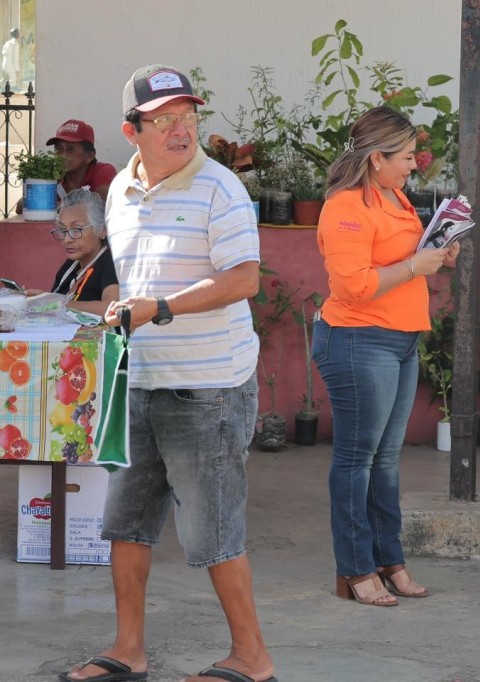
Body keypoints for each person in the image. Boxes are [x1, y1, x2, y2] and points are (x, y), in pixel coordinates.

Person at [60, 64, 275, 682]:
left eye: (189, 117)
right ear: (133, 130)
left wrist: (164, 309)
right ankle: (128, 650)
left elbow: (243, 280)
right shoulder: (121, 196)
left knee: (213, 531)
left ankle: (253, 659)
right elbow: (132, 284)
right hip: (140, 382)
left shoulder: (220, 188)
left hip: (208, 389)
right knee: (126, 524)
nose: (181, 131)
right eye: (165, 120)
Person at [313, 106, 458, 607]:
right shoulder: (344, 206)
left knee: (386, 460)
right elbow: (354, 286)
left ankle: (389, 560)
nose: (414, 165)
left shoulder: (393, 196)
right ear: (376, 158)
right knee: (357, 460)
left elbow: (400, 264)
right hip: (358, 338)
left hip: (400, 338)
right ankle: (355, 569)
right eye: (406, 157)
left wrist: (434, 255)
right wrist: (414, 263)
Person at [21, 188, 118, 317]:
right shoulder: (71, 265)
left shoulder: (111, 263)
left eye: (77, 229)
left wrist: (57, 302)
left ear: (102, 230)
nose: (67, 239)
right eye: (62, 230)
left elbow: (110, 308)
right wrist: (39, 300)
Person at [47, 119, 119, 200]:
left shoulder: (103, 171)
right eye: (58, 149)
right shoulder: (51, 177)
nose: (62, 155)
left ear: (89, 156)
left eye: (70, 149)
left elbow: (101, 206)